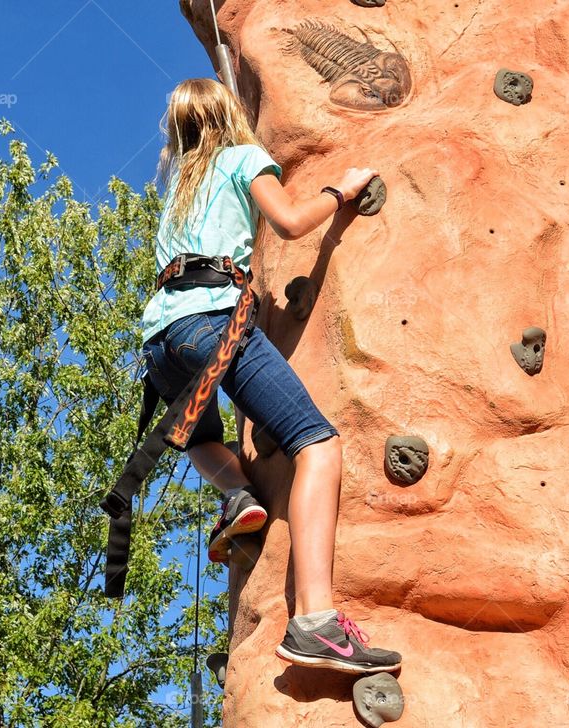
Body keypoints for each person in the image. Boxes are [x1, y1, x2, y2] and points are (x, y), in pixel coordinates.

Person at [139, 78, 401, 674]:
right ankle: (316, 622)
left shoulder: (180, 187)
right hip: (211, 326)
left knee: (203, 438)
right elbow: (287, 222)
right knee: (319, 443)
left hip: (160, 340)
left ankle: (236, 496)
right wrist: (341, 191)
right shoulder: (242, 158)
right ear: (230, 113)